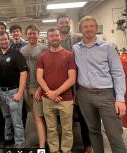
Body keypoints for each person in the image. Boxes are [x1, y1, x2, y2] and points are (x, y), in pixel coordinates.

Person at [73, 16, 127, 153]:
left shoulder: (107, 48)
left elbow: (118, 73)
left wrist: (120, 99)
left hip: (106, 95)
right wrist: (76, 93)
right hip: (84, 95)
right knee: (93, 132)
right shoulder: (76, 49)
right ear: (80, 30)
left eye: (91, 26)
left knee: (114, 134)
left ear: (96, 28)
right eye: (85, 27)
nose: (89, 29)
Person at [56, 14, 92, 153]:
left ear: (70, 23)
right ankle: (64, 145)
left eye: (66, 22)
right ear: (57, 24)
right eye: (61, 22)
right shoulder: (54, 39)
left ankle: (88, 145)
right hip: (60, 82)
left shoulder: (78, 38)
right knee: (63, 114)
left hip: (79, 81)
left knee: (83, 114)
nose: (64, 24)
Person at [37, 28, 76, 153]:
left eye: (56, 35)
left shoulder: (69, 55)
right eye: (51, 36)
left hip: (66, 98)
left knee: (67, 129)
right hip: (47, 98)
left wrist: (56, 93)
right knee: (51, 128)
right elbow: (39, 77)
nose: (54, 38)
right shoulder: (43, 56)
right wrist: (50, 93)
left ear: (61, 37)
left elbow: (72, 79)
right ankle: (54, 150)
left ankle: (66, 151)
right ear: (48, 39)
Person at [0, 32, 27, 148]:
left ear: (9, 40)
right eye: (1, 40)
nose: (3, 41)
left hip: (14, 92)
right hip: (2, 93)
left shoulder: (17, 54)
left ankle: (20, 144)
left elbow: (23, 74)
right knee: (7, 118)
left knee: (17, 120)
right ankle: (9, 138)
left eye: (5, 39)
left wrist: (20, 93)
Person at [20, 24, 48, 148]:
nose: (32, 35)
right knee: (36, 115)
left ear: (38, 34)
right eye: (29, 33)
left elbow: (48, 70)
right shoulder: (22, 50)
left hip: (38, 87)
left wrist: (41, 88)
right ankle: (44, 141)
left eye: (34, 33)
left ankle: (42, 146)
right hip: (26, 88)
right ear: (26, 35)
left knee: (38, 117)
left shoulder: (44, 49)